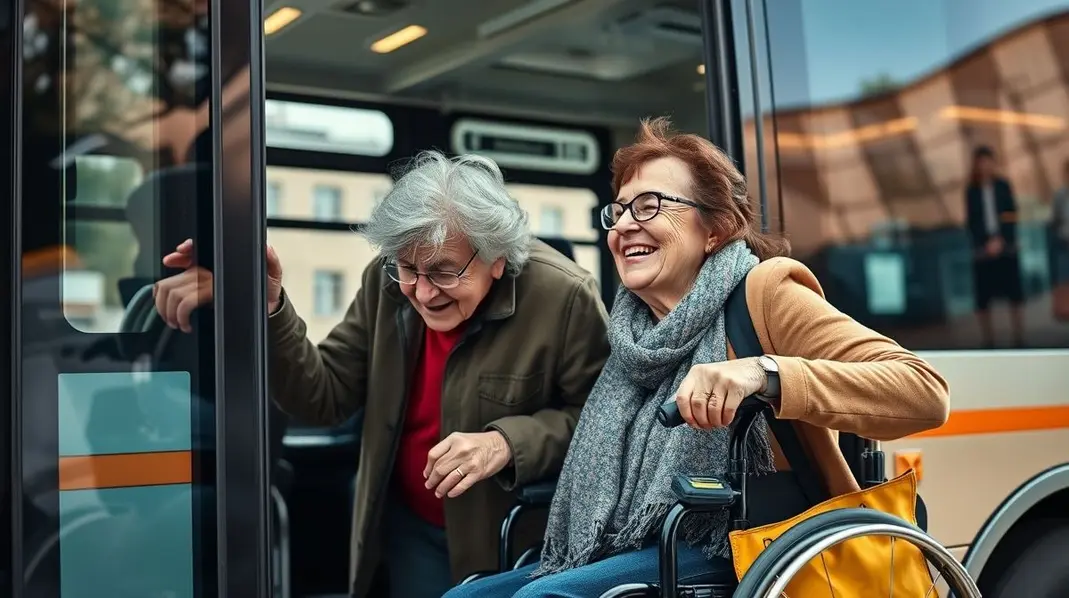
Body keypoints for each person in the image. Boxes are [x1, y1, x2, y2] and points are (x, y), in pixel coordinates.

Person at [443, 117, 951, 598]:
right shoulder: (630, 336)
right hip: (640, 544)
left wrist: (764, 373)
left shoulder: (765, 293)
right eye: (619, 211)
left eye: (649, 206)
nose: (624, 226)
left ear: (716, 229)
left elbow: (924, 392)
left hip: (748, 543)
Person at [152, 150, 611, 598]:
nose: (423, 293)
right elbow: (323, 396)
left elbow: (604, 426)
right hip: (409, 528)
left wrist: (504, 444)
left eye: (444, 273)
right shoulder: (385, 282)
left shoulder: (565, 296)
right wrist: (269, 307)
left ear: (497, 259)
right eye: (409, 269)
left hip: (514, 540)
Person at [964, 145, 1025, 347]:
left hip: (1005, 244)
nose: (985, 166)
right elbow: (972, 220)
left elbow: (1010, 214)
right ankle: (988, 339)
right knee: (983, 296)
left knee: (1014, 292)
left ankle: (1019, 337)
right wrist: (985, 242)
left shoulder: (1002, 186)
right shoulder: (972, 190)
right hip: (983, 248)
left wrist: (1002, 239)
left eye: (988, 161)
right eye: (981, 162)